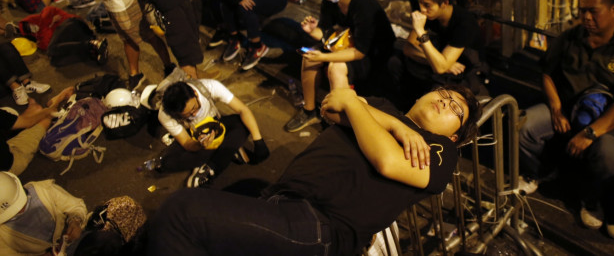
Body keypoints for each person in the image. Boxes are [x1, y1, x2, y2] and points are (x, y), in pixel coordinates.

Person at [149, 85, 480, 256]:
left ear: (454, 134)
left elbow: (389, 161)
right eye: (444, 94)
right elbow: (331, 105)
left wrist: (356, 105)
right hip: (283, 201)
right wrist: (395, 124)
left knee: (183, 211)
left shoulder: (442, 152)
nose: (444, 101)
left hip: (324, 227)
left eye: (455, 109)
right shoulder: (384, 107)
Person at [518, 0, 614, 237]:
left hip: (603, 120)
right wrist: (555, 108)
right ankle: (538, 172)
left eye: (594, 11)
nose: (586, 17)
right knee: (523, 125)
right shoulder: (570, 37)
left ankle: (591, 199)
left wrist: (591, 133)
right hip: (565, 109)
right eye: (582, 11)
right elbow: (548, 74)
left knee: (611, 156)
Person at [285, 0, 395, 132]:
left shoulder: (365, 8)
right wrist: (313, 30)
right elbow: (325, 33)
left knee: (335, 68)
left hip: (372, 56)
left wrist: (324, 57)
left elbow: (359, 52)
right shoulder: (330, 0)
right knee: (309, 58)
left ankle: (341, 121)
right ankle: (309, 111)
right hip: (346, 45)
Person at [152, 79, 269, 187]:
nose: (193, 114)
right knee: (167, 163)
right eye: (187, 114)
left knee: (242, 123)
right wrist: (200, 145)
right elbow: (186, 142)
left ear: (195, 93)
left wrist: (258, 140)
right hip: (193, 136)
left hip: (216, 125)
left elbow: (243, 109)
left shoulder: (209, 86)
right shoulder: (165, 115)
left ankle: (210, 168)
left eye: (194, 108)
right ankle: (228, 149)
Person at [388, 0, 483, 107]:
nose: (422, 9)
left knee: (436, 90)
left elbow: (439, 67)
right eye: (420, 3)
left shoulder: (464, 24)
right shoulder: (428, 14)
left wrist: (421, 32)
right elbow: (408, 49)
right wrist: (440, 62)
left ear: (444, 3)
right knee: (395, 62)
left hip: (465, 71)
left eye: (427, 5)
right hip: (442, 62)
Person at [0, 171, 86, 255]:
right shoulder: (2, 238)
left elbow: (75, 205)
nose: (20, 211)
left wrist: (75, 221)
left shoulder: (43, 189)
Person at [1, 86, 73, 174]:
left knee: (10, 121)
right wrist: (49, 111)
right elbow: (28, 122)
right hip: (7, 171)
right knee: (43, 122)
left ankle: (32, 111)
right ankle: (53, 106)